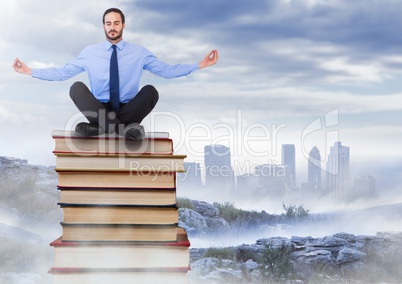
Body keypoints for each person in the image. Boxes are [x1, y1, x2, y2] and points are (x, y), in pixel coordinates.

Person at [12, 7, 218, 140]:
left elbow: (166, 70)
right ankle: (124, 130)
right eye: (108, 23)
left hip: (127, 109)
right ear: (103, 26)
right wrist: (29, 71)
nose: (112, 27)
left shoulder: (139, 52)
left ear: (123, 25)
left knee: (151, 91)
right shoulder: (90, 53)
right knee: (76, 87)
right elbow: (62, 72)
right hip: (99, 109)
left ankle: (101, 129)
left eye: (116, 23)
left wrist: (200, 64)